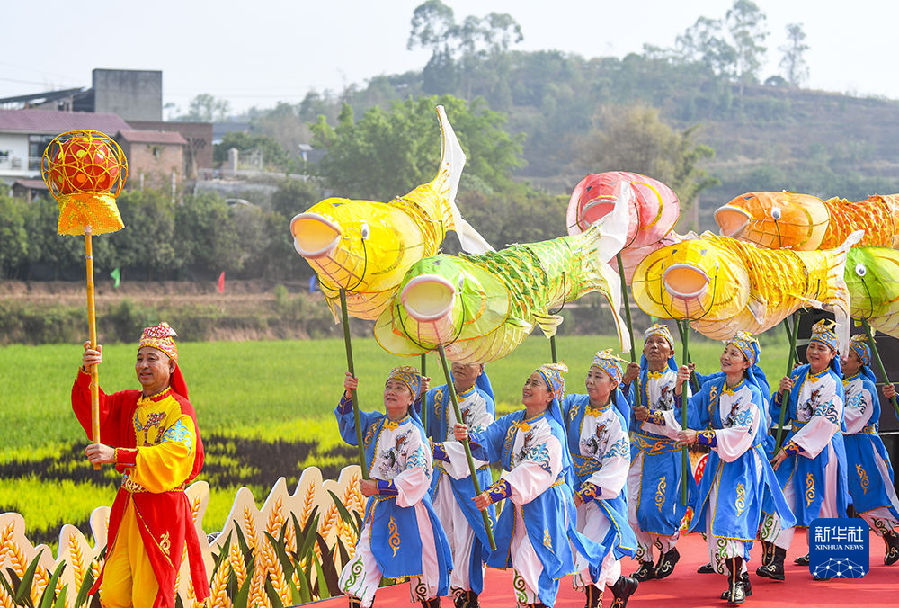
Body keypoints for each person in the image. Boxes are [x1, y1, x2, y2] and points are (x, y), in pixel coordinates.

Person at [72, 322, 209, 608]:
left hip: (161, 511)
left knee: (148, 599)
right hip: (129, 507)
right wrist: (88, 371)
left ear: (171, 366)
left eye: (152, 358)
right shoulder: (130, 402)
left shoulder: (179, 409)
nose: (143, 365)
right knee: (113, 595)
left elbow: (173, 455)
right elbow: (97, 412)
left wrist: (118, 456)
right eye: (139, 358)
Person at [450, 363, 606, 608]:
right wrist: (468, 436)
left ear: (550, 395)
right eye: (527, 381)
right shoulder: (515, 421)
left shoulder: (552, 431)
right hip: (521, 503)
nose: (527, 387)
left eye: (535, 384)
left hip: (546, 503)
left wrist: (495, 492)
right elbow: (490, 436)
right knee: (524, 564)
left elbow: (534, 468)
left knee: (529, 560)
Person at [674, 332, 795, 605]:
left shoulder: (752, 395)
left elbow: (740, 434)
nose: (726, 357)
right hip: (719, 462)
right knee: (717, 522)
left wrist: (700, 437)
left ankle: (738, 580)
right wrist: (681, 388)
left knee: (732, 519)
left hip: (742, 464)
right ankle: (737, 575)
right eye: (725, 351)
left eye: (734, 354)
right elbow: (693, 412)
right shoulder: (715, 387)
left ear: (746, 363)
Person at [335, 366, 452, 608]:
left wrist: (379, 487)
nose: (391, 391)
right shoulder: (375, 425)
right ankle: (360, 600)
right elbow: (349, 427)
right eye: (389, 386)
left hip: (411, 511)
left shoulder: (414, 433)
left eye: (400, 388)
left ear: (411, 399)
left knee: (423, 571)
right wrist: (349, 394)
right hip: (380, 509)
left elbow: (418, 475)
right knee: (365, 558)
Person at [757, 319, 852, 581]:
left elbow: (824, 422)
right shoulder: (798, 374)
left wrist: (789, 448)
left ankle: (830, 561)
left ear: (832, 354)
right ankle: (776, 562)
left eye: (822, 348)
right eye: (812, 346)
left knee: (823, 504)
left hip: (821, 450)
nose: (814, 352)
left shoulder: (833, 383)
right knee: (782, 499)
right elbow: (781, 412)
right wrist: (780, 394)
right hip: (794, 447)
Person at [561, 351, 639, 608]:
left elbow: (615, 466)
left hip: (602, 494)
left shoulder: (615, 422)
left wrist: (585, 492)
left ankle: (593, 603)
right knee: (580, 544)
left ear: (614, 384)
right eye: (589, 375)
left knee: (592, 546)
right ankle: (621, 586)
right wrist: (552, 386)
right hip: (573, 486)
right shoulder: (573, 405)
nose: (590, 381)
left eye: (598, 377)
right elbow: (550, 413)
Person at [619, 324, 697, 581]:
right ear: (643, 349)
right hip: (639, 451)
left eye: (660, 342)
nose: (654, 346)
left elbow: (683, 421)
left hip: (666, 453)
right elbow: (619, 411)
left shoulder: (678, 380)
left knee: (653, 509)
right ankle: (645, 560)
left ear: (671, 351)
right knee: (632, 510)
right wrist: (626, 381)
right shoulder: (637, 378)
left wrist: (651, 415)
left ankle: (668, 550)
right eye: (649, 341)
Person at [424, 362, 496, 608]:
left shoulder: (483, 401)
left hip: (468, 480)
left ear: (480, 368)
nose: (460, 366)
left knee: (466, 537)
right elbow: (417, 429)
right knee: (439, 533)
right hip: (440, 479)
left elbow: (480, 445)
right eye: (456, 359)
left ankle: (464, 592)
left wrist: (438, 450)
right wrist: (415, 398)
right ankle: (433, 591)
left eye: (468, 361)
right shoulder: (436, 396)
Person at [841, 334, 899, 565]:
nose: (844, 359)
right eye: (842, 354)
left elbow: (853, 419)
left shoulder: (864, 386)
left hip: (861, 446)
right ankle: (824, 546)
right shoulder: (835, 381)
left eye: (850, 356)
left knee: (871, 496)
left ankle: (890, 536)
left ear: (861, 362)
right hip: (837, 445)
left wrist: (826, 419)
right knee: (834, 497)